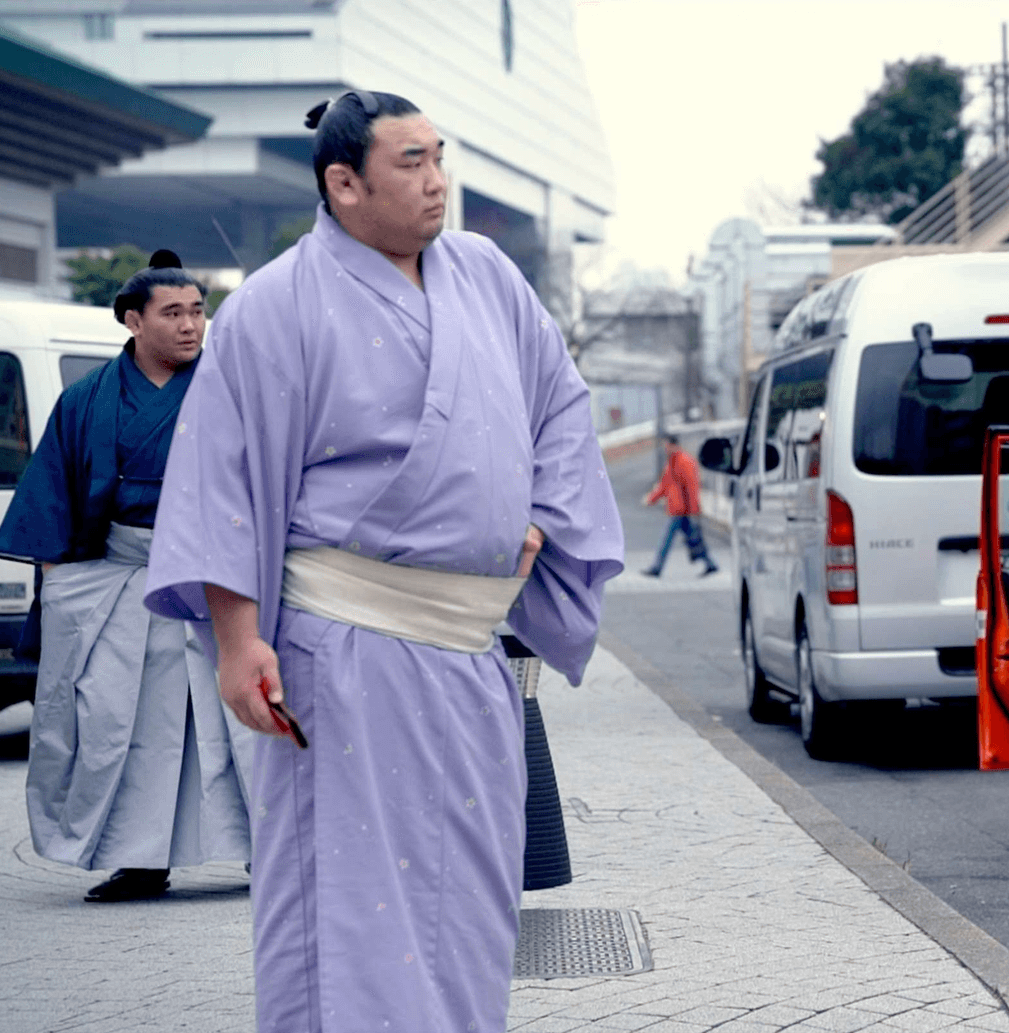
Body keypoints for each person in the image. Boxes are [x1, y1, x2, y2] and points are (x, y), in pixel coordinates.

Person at [142, 90, 622, 1033]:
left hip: (471, 654)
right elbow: (222, 477)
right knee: (351, 904)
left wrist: (538, 514)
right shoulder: (276, 304)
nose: (438, 181)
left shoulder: (486, 274)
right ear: (344, 182)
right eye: (412, 162)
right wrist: (239, 643)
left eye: (441, 156)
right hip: (343, 652)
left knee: (473, 905)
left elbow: (560, 404)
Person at [0, 250, 254, 903]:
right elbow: (52, 503)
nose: (192, 325)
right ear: (133, 320)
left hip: (219, 577)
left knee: (239, 718)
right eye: (173, 313)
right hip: (121, 576)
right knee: (126, 724)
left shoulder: (234, 390)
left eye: (198, 310)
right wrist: (59, 597)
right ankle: (139, 859)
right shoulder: (85, 402)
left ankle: (267, 849)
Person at [640, 432, 718, 577]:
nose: (665, 449)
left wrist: (694, 509)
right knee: (694, 538)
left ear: (674, 445)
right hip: (677, 509)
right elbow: (664, 486)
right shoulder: (672, 462)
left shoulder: (684, 462)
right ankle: (710, 564)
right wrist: (651, 499)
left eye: (667, 445)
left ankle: (657, 568)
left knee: (668, 539)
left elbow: (692, 487)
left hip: (683, 510)